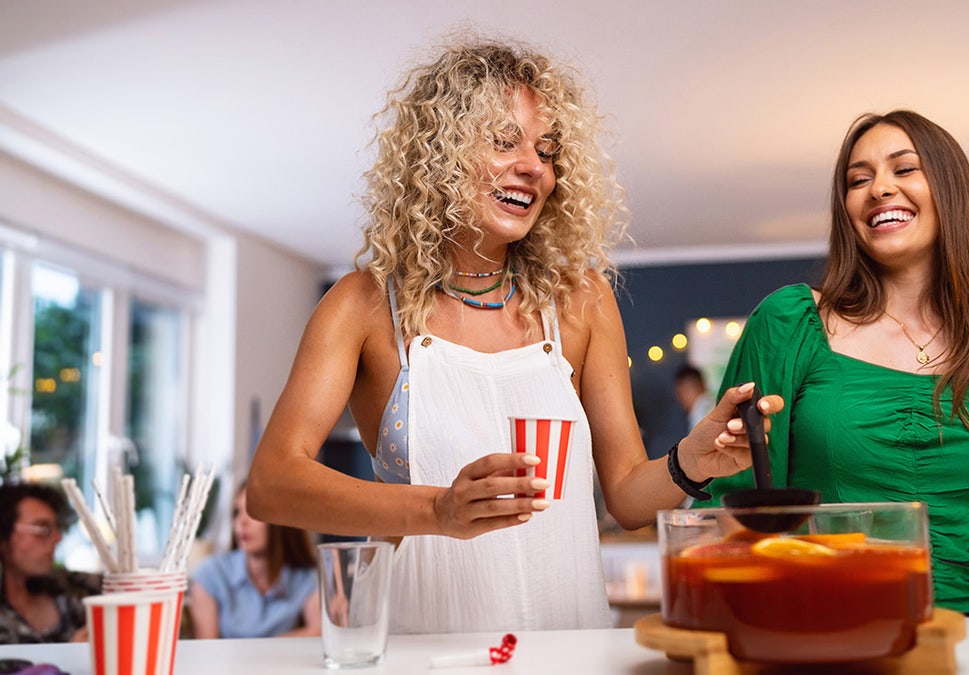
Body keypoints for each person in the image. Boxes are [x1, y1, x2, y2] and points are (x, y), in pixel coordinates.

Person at [245, 36, 778, 634]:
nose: (534, 167)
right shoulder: (364, 306)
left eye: (548, 151)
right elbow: (272, 484)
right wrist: (438, 508)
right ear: (438, 153)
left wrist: (691, 460)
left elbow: (627, 498)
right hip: (420, 645)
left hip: (568, 644)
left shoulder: (580, 302)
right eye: (504, 141)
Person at [696, 110, 969, 633]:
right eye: (858, 180)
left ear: (951, 189)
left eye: (903, 169)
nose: (879, 189)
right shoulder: (792, 324)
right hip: (828, 631)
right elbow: (735, 500)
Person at [188, 483, 319, 639]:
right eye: (237, 512)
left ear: (281, 521)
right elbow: (206, 650)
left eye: (253, 512)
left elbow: (319, 632)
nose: (241, 522)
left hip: (281, 664)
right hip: (227, 664)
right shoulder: (210, 575)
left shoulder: (305, 577)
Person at [0, 482, 101, 643]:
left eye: (57, 528)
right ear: (3, 536)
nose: (57, 538)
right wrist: (69, 656)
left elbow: (122, 585)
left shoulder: (74, 587)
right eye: (42, 529)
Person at [673, 364, 715, 431]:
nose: (679, 399)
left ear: (684, 390)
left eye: (679, 393)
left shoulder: (699, 412)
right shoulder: (716, 404)